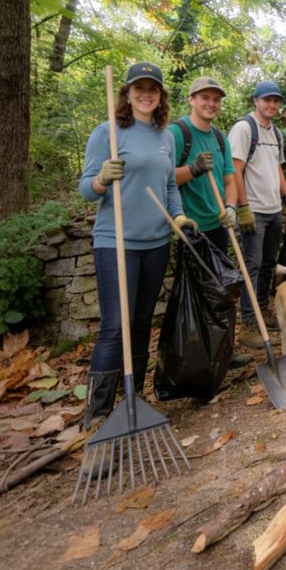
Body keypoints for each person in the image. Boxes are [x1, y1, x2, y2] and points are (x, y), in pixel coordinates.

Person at [79, 62, 197, 430]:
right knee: (117, 324)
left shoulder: (167, 137)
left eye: (153, 89)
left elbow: (170, 187)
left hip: (156, 242)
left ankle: (130, 400)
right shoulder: (108, 133)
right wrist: (100, 179)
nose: (146, 94)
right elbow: (85, 190)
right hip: (116, 242)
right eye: (138, 88)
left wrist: (177, 216)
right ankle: (97, 414)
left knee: (144, 321)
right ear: (127, 93)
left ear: (160, 96)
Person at [169, 75, 251, 368]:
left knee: (221, 292)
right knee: (197, 297)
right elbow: (163, 176)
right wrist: (191, 169)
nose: (211, 104)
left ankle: (223, 353)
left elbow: (229, 179)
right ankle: (198, 359)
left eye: (216, 99)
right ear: (192, 99)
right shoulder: (177, 133)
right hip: (190, 229)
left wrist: (230, 207)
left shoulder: (220, 138)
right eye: (205, 97)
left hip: (217, 226)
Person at [229, 80, 286, 348]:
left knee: (269, 264)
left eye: (275, 101)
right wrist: (243, 207)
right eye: (266, 100)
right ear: (255, 101)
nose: (271, 105)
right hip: (254, 211)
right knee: (252, 267)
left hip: (273, 210)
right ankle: (248, 325)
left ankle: (261, 312)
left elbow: (277, 168)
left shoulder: (275, 133)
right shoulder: (244, 129)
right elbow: (235, 170)